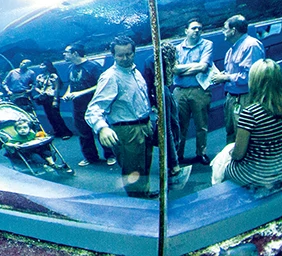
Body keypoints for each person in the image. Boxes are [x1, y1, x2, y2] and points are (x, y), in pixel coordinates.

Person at [213, 59, 282, 190]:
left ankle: (218, 192)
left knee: (220, 161)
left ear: (254, 82)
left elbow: (238, 155)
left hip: (258, 176)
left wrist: (230, 153)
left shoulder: (250, 114)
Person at [86, 36, 155, 197]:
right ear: (113, 55)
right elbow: (94, 108)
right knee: (132, 171)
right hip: (127, 131)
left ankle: (144, 194)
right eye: (120, 55)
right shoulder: (111, 77)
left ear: (134, 52)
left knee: (144, 166)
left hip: (144, 126)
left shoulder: (135, 72)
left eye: (129, 54)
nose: (125, 59)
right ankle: (138, 205)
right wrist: (102, 128)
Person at [141, 44, 194, 190]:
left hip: (163, 93)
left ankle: (171, 161)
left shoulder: (155, 59)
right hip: (162, 93)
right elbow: (149, 83)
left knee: (171, 126)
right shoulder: (154, 61)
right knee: (168, 129)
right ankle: (174, 164)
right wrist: (153, 102)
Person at [209, 15, 265, 141]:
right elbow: (235, 71)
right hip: (232, 97)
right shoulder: (233, 49)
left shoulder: (251, 46)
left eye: (225, 29)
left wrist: (226, 77)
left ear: (233, 30)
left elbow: (250, 75)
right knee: (231, 132)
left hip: (245, 98)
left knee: (245, 134)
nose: (223, 32)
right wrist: (223, 75)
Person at [61, 43, 116, 167]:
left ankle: (110, 155)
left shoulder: (92, 66)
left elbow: (100, 85)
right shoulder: (71, 67)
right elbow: (71, 83)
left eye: (67, 52)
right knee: (83, 133)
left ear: (75, 53)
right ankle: (90, 157)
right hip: (78, 107)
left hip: (93, 106)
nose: (64, 54)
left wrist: (80, 93)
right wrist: (68, 93)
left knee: (101, 130)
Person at [173, 19, 214, 165]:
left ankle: (201, 153)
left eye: (200, 28)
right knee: (179, 126)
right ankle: (178, 155)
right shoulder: (176, 49)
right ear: (186, 31)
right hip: (180, 92)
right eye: (194, 28)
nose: (197, 31)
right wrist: (193, 67)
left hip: (199, 91)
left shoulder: (207, 45)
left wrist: (182, 69)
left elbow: (203, 67)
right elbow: (173, 69)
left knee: (201, 125)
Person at [0, 119, 74, 174]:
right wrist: (14, 145)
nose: (22, 130)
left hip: (38, 149)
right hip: (29, 153)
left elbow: (37, 138)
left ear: (29, 128)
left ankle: (52, 164)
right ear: (16, 130)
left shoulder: (32, 134)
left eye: (25, 128)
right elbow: (7, 144)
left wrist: (40, 138)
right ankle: (45, 166)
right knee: (35, 156)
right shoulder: (16, 137)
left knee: (47, 152)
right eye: (19, 128)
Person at [32, 61, 73, 139]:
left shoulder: (53, 76)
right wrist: (40, 91)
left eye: (43, 64)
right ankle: (57, 131)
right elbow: (36, 86)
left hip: (52, 97)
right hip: (44, 97)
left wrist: (55, 100)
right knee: (49, 115)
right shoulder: (40, 76)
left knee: (56, 115)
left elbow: (56, 88)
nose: (41, 66)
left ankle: (66, 132)